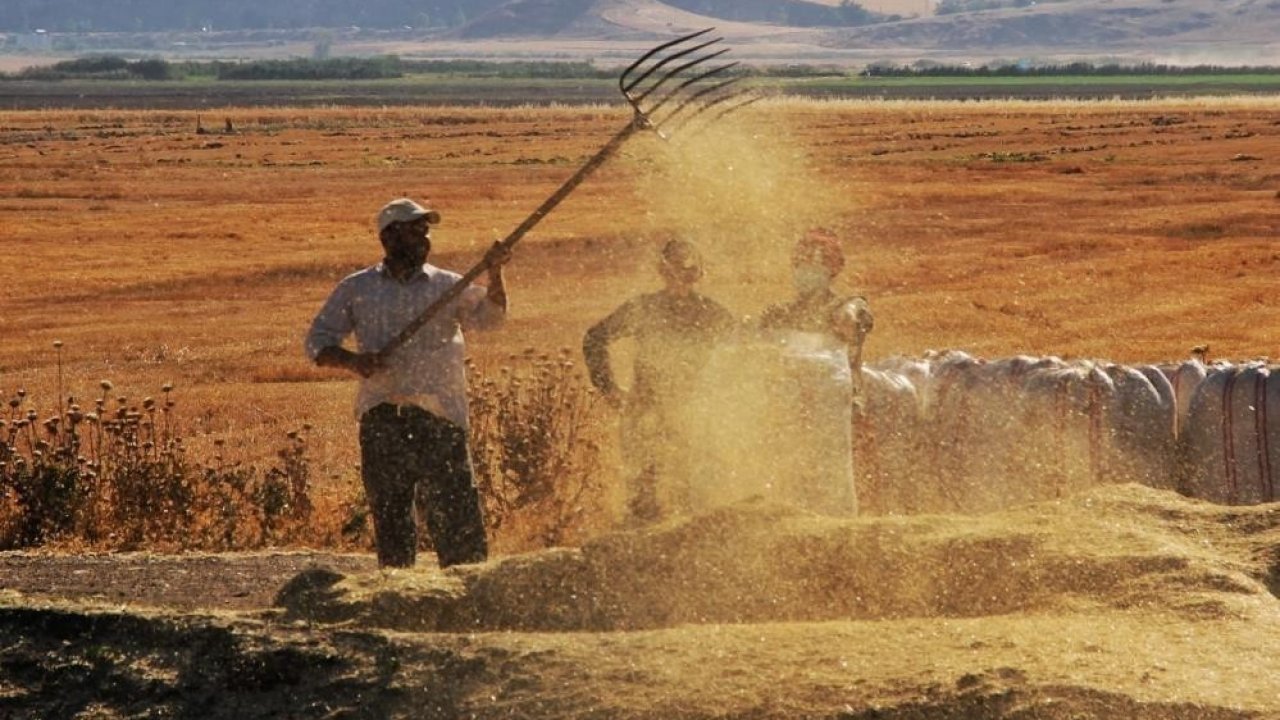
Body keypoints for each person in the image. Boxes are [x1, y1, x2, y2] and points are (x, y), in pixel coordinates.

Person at [305, 198, 511, 569]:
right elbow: (318, 343)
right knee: (392, 518)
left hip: (441, 416)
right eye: (413, 231)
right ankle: (397, 599)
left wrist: (495, 274)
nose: (423, 239)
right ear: (388, 237)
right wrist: (355, 361)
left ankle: (469, 597)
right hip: (384, 416)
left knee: (457, 518)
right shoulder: (358, 288)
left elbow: (491, 321)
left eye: (424, 231)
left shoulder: (449, 285)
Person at [583, 238, 735, 524]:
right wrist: (610, 389)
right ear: (662, 270)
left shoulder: (711, 313)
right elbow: (594, 339)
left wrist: (724, 400)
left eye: (688, 267)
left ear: (699, 273)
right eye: (674, 266)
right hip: (646, 414)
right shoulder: (644, 308)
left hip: (691, 415)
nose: (680, 274)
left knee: (692, 497)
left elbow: (741, 352)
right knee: (644, 498)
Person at [756, 228, 874, 516]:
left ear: (831, 270)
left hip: (839, 410)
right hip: (788, 408)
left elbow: (858, 319)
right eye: (800, 265)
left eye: (813, 265)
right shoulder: (777, 314)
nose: (804, 272)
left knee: (837, 482)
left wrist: (850, 314)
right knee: (789, 477)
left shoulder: (847, 305)